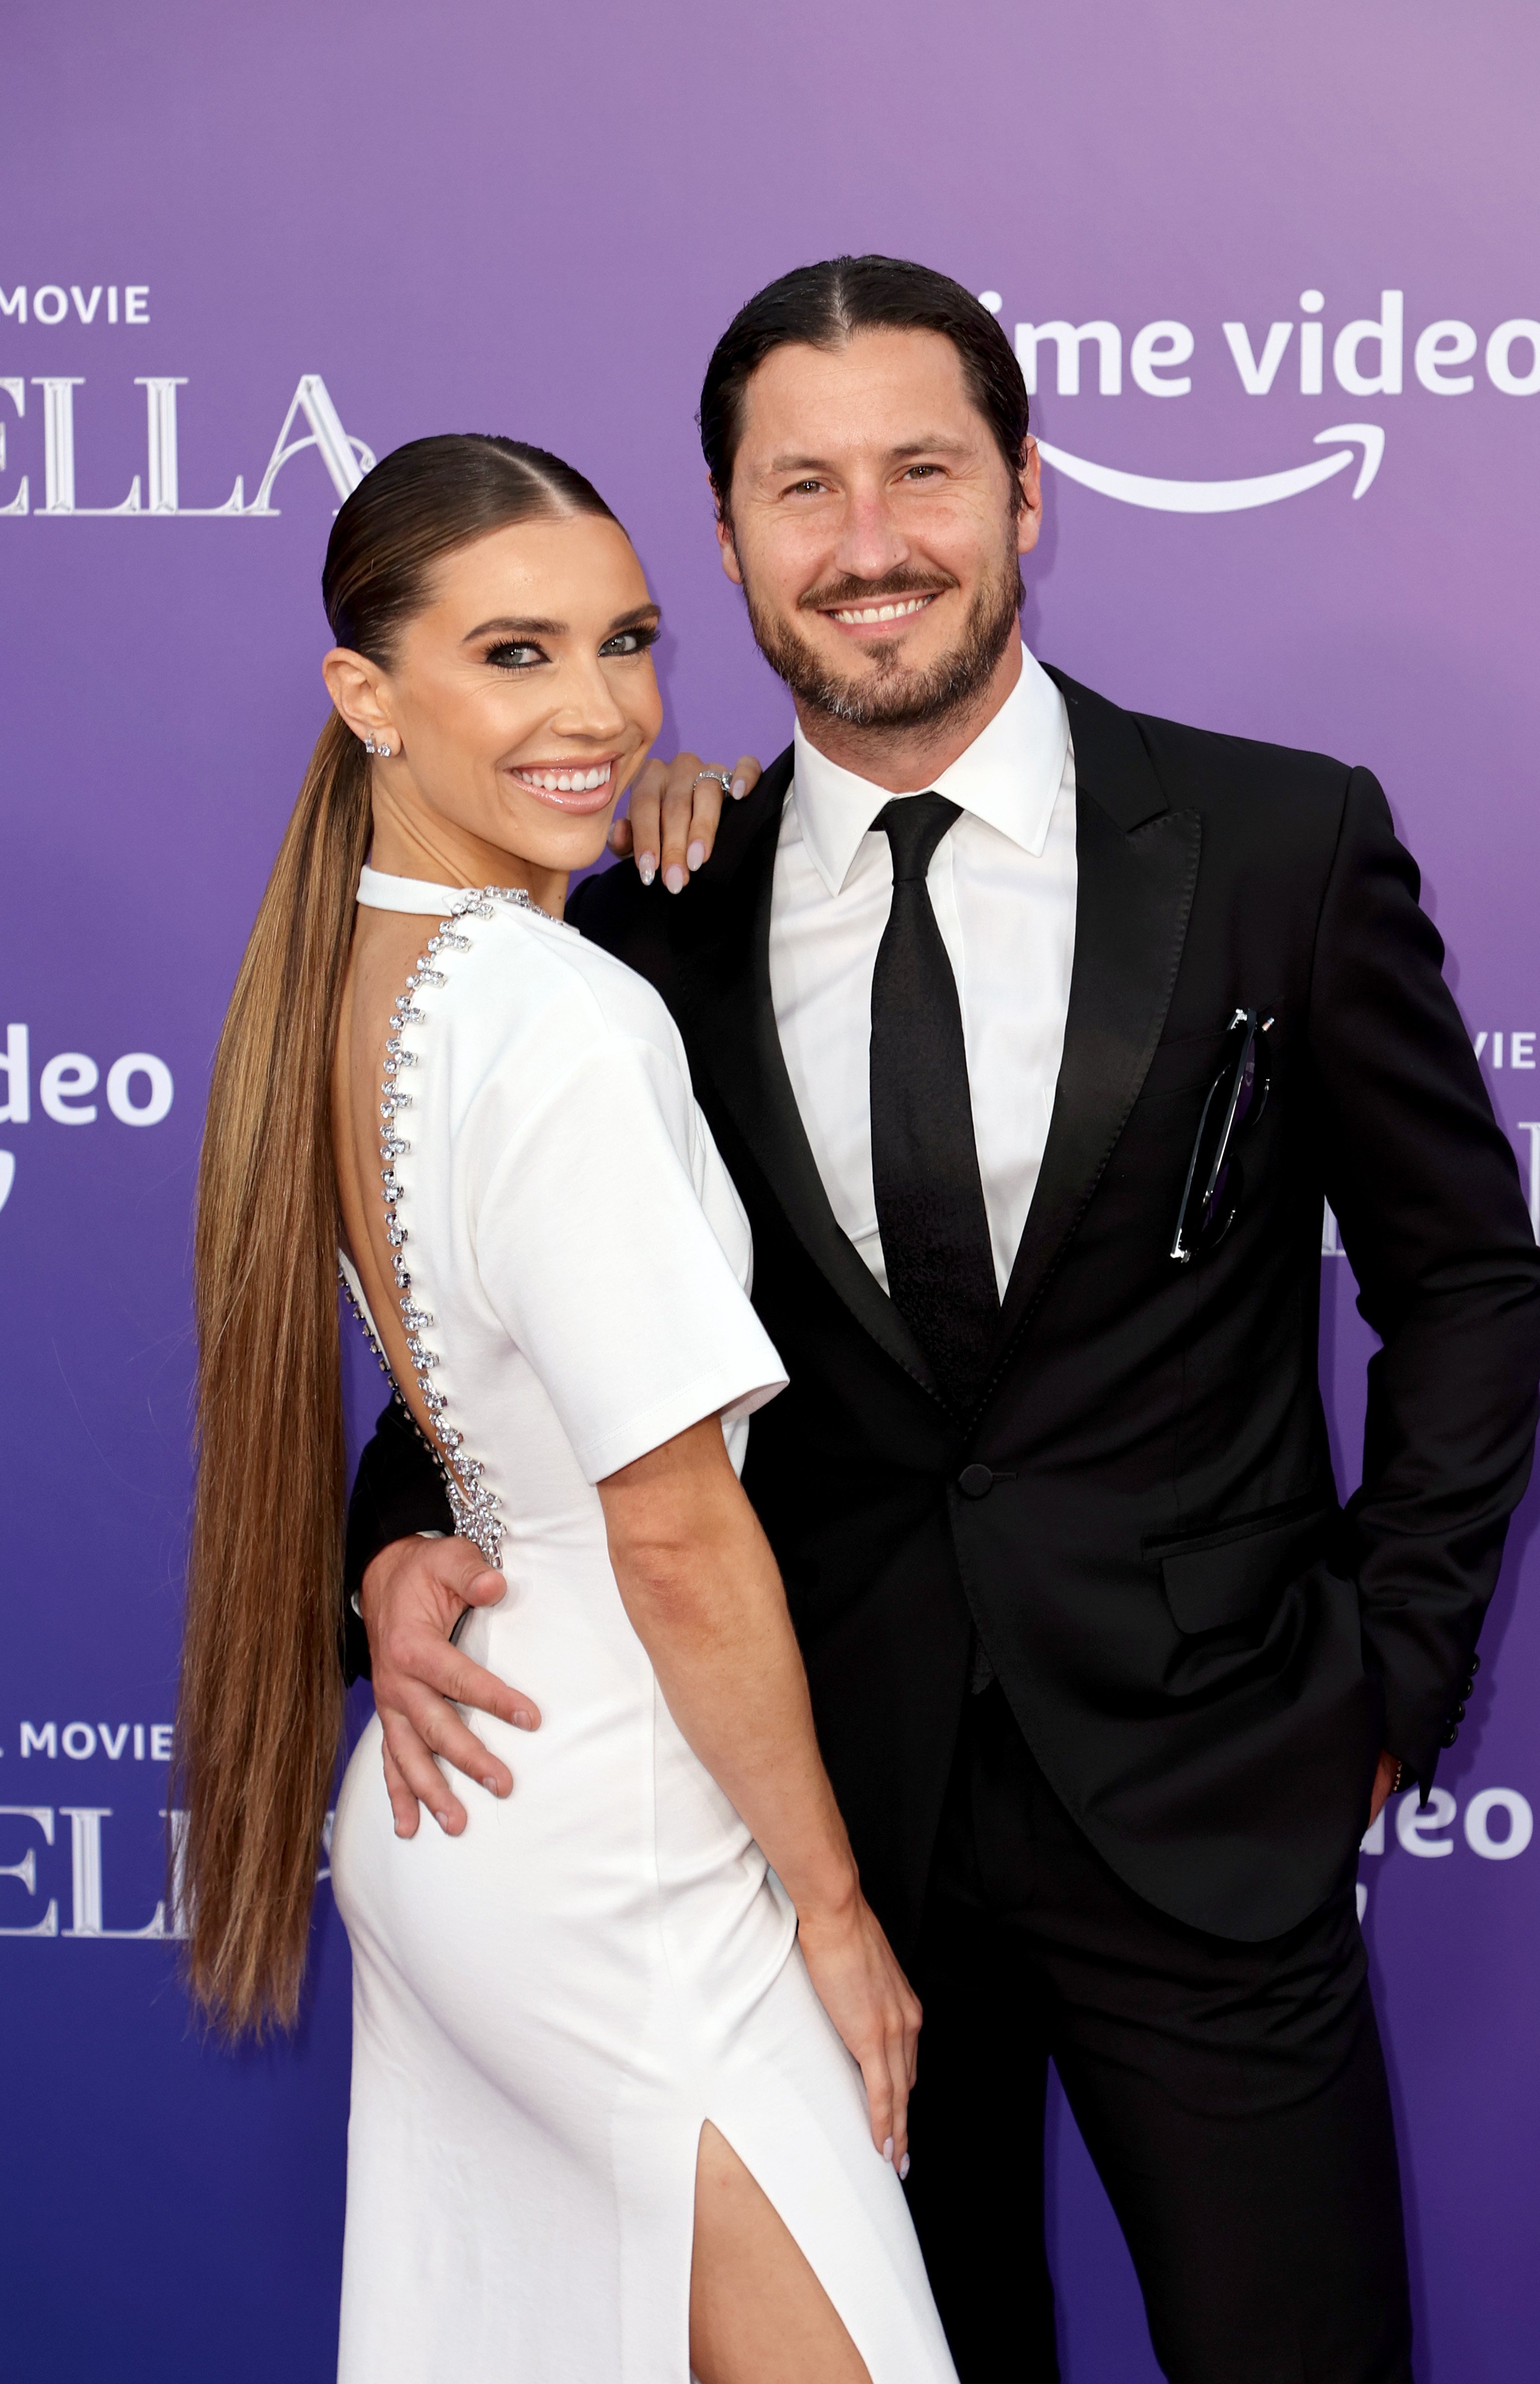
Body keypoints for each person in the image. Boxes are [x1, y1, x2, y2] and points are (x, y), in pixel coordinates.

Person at [344, 263, 1540, 2384]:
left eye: (922, 469)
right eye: (799, 488)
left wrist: (1394, 1667)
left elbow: (1463, 1274)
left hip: (1209, 1790)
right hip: (815, 1838)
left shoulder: (1282, 838)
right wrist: (386, 1542)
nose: (869, 540)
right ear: (723, 542)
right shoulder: (644, 915)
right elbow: (530, 1323)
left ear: (1025, 495)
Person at [175, 431, 959, 2384]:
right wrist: (835, 1909)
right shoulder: (554, 1015)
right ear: (370, 695)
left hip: (478, 1825)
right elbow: (678, 1531)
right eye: (515, 655)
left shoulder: (356, 976)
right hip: (627, 1865)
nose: (602, 710)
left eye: (626, 642)